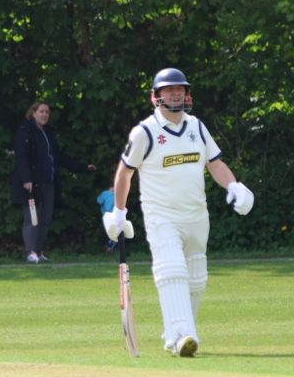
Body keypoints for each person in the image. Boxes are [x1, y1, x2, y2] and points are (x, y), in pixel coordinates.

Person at [105, 68, 255, 358]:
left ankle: (175, 333)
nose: (175, 94)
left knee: (196, 277)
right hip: (162, 216)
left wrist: (234, 186)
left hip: (197, 215)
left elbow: (215, 163)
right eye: (168, 90)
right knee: (172, 270)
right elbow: (125, 172)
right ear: (155, 96)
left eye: (180, 89)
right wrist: (119, 212)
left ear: (186, 95)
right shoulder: (144, 132)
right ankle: (182, 336)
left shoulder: (197, 127)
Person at [11, 100, 96, 263]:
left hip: (48, 183)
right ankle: (30, 253)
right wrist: (26, 179)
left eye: (47, 112)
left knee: (45, 219)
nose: (44, 115)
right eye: (41, 111)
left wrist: (83, 167)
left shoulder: (48, 132)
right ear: (33, 113)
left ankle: (38, 251)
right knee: (32, 219)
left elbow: (59, 157)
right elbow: (21, 157)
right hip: (31, 184)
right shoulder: (24, 131)